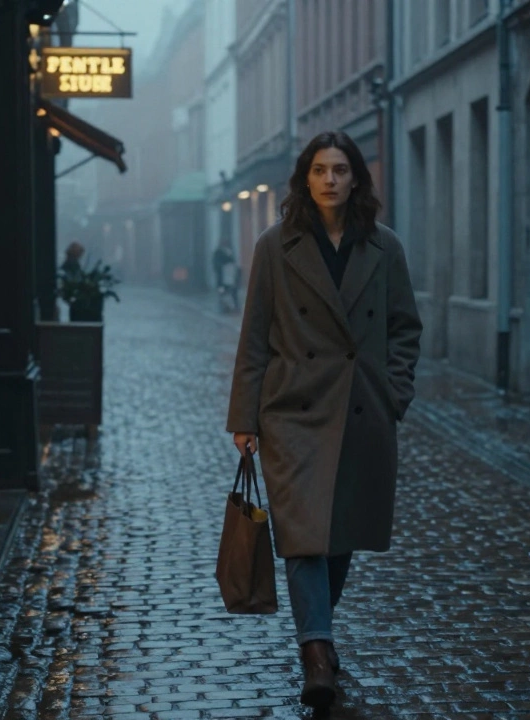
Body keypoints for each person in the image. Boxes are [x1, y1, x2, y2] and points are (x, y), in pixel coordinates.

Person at [225, 131, 423, 708]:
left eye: (340, 169)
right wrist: (245, 416)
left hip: (362, 410)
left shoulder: (384, 247)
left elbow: (405, 327)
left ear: (355, 177)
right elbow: (254, 337)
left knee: (340, 538)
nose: (330, 179)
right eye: (319, 170)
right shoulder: (274, 245)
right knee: (303, 536)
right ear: (304, 180)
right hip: (293, 410)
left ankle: (321, 634)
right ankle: (316, 653)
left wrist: (394, 393)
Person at [212, 240, 240, 311]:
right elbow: (216, 264)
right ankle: (224, 307)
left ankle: (234, 306)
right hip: (222, 279)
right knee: (222, 292)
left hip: (230, 277)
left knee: (233, 291)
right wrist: (222, 268)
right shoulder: (218, 252)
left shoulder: (230, 252)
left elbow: (233, 263)